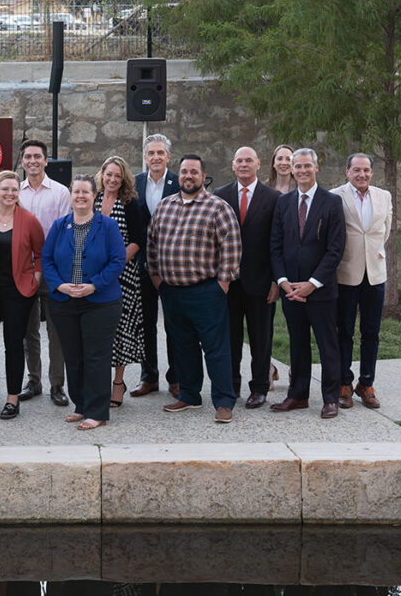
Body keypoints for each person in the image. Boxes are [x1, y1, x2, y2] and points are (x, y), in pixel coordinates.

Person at [147, 154, 241, 424]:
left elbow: (231, 248)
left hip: (206, 291)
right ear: (179, 176)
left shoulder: (217, 207)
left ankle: (223, 401)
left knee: (216, 349)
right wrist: (158, 280)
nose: (188, 176)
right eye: (184, 172)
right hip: (172, 292)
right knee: (182, 346)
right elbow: (152, 244)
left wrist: (221, 285)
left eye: (194, 172)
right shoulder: (165, 206)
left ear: (203, 175)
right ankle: (189, 395)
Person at [42, 175, 125, 431]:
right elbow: (47, 260)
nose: (80, 196)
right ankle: (81, 405)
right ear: (71, 195)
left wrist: (94, 285)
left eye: (85, 192)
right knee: (73, 356)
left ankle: (97, 411)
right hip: (64, 301)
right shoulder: (59, 226)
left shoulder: (107, 226)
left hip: (100, 302)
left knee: (96, 356)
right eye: (76, 191)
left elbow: (117, 260)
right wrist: (59, 285)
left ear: (94, 196)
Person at [270, 148, 346, 419]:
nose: (302, 171)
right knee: (297, 344)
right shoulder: (284, 202)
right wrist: (283, 282)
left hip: (321, 290)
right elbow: (275, 246)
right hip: (290, 291)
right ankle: (298, 395)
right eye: (297, 166)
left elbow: (335, 250)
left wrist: (312, 284)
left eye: (306, 166)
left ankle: (330, 399)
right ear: (291, 169)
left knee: (327, 345)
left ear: (316, 168)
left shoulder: (331, 202)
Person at [213, 147, 281, 408]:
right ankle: (231, 386)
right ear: (233, 165)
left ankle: (259, 388)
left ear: (258, 164)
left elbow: (277, 243)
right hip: (227, 283)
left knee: (260, 340)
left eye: (248, 160)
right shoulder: (219, 196)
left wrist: (276, 280)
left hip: (261, 283)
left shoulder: (273, 198)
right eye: (239, 160)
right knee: (229, 339)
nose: (243, 164)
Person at [0, 170, 44, 419]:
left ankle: (13, 398)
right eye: (5, 189)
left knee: (14, 345)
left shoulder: (29, 220)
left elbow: (39, 254)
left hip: (19, 293)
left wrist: (34, 281)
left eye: (14, 189)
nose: (10, 193)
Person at [332, 153, 392, 410]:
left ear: (372, 172)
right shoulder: (335, 196)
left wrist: (373, 254)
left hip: (375, 272)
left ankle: (366, 383)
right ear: (347, 172)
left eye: (366, 170)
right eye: (356, 170)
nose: (362, 174)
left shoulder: (384, 196)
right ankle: (344, 383)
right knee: (344, 330)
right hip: (346, 272)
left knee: (371, 332)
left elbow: (384, 230)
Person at [16, 139, 71, 406]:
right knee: (29, 330)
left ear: (46, 161)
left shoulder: (61, 192)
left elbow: (63, 234)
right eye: (28, 157)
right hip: (24, 269)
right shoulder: (16, 192)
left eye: (38, 156)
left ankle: (57, 384)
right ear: (22, 161)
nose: (33, 161)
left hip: (52, 269)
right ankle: (34, 380)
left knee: (56, 330)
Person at [93, 156, 145, 409]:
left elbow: (138, 239)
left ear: (123, 179)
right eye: (109, 174)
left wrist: (114, 264)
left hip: (122, 275)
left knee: (120, 328)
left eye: (117, 176)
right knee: (98, 329)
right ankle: (99, 381)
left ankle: (118, 382)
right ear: (101, 175)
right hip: (94, 274)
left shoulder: (130, 203)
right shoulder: (92, 199)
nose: (112, 179)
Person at [132, 133, 180, 398]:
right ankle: (149, 376)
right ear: (145, 157)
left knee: (173, 322)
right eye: (151, 153)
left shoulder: (178, 182)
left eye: (161, 153)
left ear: (168, 157)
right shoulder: (135, 183)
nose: (156, 157)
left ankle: (176, 378)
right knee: (145, 322)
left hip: (173, 265)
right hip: (142, 265)